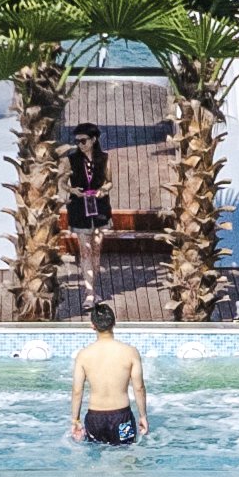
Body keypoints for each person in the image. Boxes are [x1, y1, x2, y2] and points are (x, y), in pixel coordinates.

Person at [69, 303, 146, 445]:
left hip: (95, 419)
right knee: (128, 453)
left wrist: (75, 420)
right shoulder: (130, 352)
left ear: (93, 326)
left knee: (94, 454)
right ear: (114, 323)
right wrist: (143, 416)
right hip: (122, 418)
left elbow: (77, 391)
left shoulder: (83, 355)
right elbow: (139, 388)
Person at [64, 121, 115, 301]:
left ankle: (93, 286)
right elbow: (62, 182)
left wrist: (103, 190)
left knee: (96, 250)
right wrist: (72, 190)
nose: (80, 145)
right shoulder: (71, 159)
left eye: (83, 141)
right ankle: (90, 293)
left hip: (99, 206)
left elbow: (109, 182)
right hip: (80, 207)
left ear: (93, 140)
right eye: (77, 141)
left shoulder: (104, 158)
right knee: (85, 250)